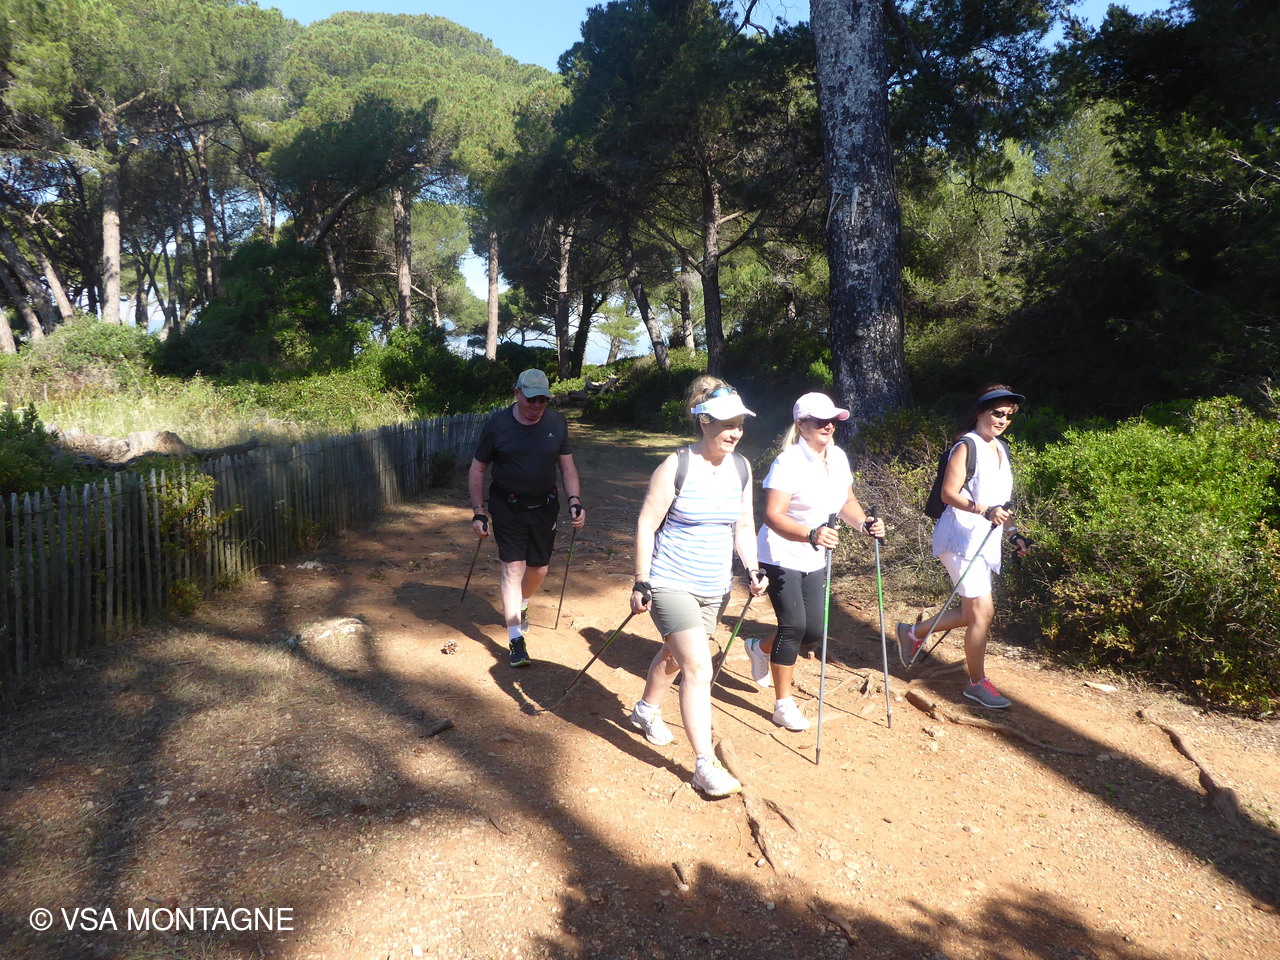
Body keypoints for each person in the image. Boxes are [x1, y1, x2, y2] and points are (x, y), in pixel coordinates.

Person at [627, 376, 769, 798]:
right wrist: (641, 579)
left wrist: (753, 568)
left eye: (740, 424)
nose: (735, 432)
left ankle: (645, 710)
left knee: (675, 657)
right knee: (698, 668)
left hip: (715, 587)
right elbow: (646, 524)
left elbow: (743, 525)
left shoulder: (742, 468)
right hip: (670, 582)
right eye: (727, 424)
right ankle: (705, 765)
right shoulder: (675, 466)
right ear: (704, 421)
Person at [743, 393, 885, 731]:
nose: (828, 426)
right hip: (779, 553)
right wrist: (810, 534)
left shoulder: (837, 457)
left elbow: (846, 501)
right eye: (820, 420)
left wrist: (864, 524)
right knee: (793, 626)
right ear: (801, 424)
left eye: (833, 420)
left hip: (815, 553)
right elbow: (773, 515)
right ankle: (783, 704)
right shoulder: (788, 462)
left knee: (813, 632)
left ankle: (759, 648)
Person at [895, 384, 1030, 708]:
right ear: (980, 412)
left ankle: (912, 633)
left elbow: (1002, 504)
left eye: (1008, 415)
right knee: (983, 612)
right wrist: (984, 510)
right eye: (997, 413)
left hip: (984, 541)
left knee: (971, 613)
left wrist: (1014, 533)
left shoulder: (1001, 449)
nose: (1003, 420)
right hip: (958, 539)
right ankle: (976, 683)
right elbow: (949, 494)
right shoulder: (966, 446)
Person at [469, 369, 586, 668]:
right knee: (513, 568)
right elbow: (478, 469)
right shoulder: (498, 424)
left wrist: (574, 501)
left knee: (538, 569)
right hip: (507, 505)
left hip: (544, 505)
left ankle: (522, 603)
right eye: (531, 399)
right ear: (517, 393)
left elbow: (567, 468)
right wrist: (479, 511)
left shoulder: (557, 423)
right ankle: (515, 639)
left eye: (542, 399)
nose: (536, 405)